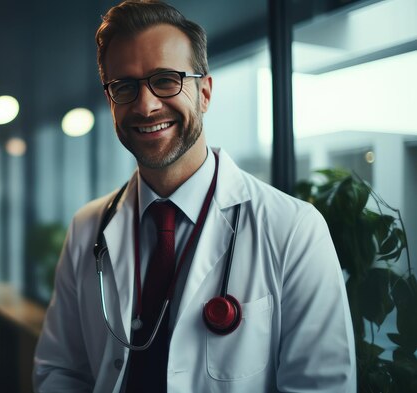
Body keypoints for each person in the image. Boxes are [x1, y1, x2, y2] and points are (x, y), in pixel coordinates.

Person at [33, 1, 356, 392]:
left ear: (204, 93)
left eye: (166, 80)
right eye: (125, 86)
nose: (146, 105)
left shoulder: (294, 231)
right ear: (110, 100)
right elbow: (60, 371)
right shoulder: (88, 227)